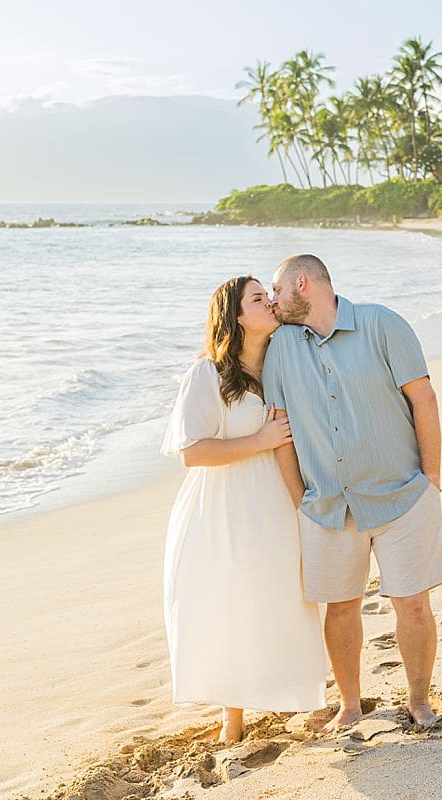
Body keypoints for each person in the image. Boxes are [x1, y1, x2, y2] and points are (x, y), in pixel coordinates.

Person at [261, 253, 442, 734]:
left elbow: (423, 398)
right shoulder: (280, 347)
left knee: (412, 604)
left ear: (302, 284)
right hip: (327, 506)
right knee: (341, 607)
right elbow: (279, 426)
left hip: (403, 497)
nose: (272, 300)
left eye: (277, 291)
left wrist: (430, 481)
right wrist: (298, 497)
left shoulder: (382, 324)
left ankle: (419, 700)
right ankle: (350, 704)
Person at [161, 275, 327, 743]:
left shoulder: (280, 365)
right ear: (235, 316)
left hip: (274, 501)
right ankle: (230, 717)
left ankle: (292, 695)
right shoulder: (208, 374)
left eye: (268, 295)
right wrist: (260, 440)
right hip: (223, 506)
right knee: (230, 599)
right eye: (258, 298)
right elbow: (192, 452)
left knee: (280, 596)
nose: (271, 302)